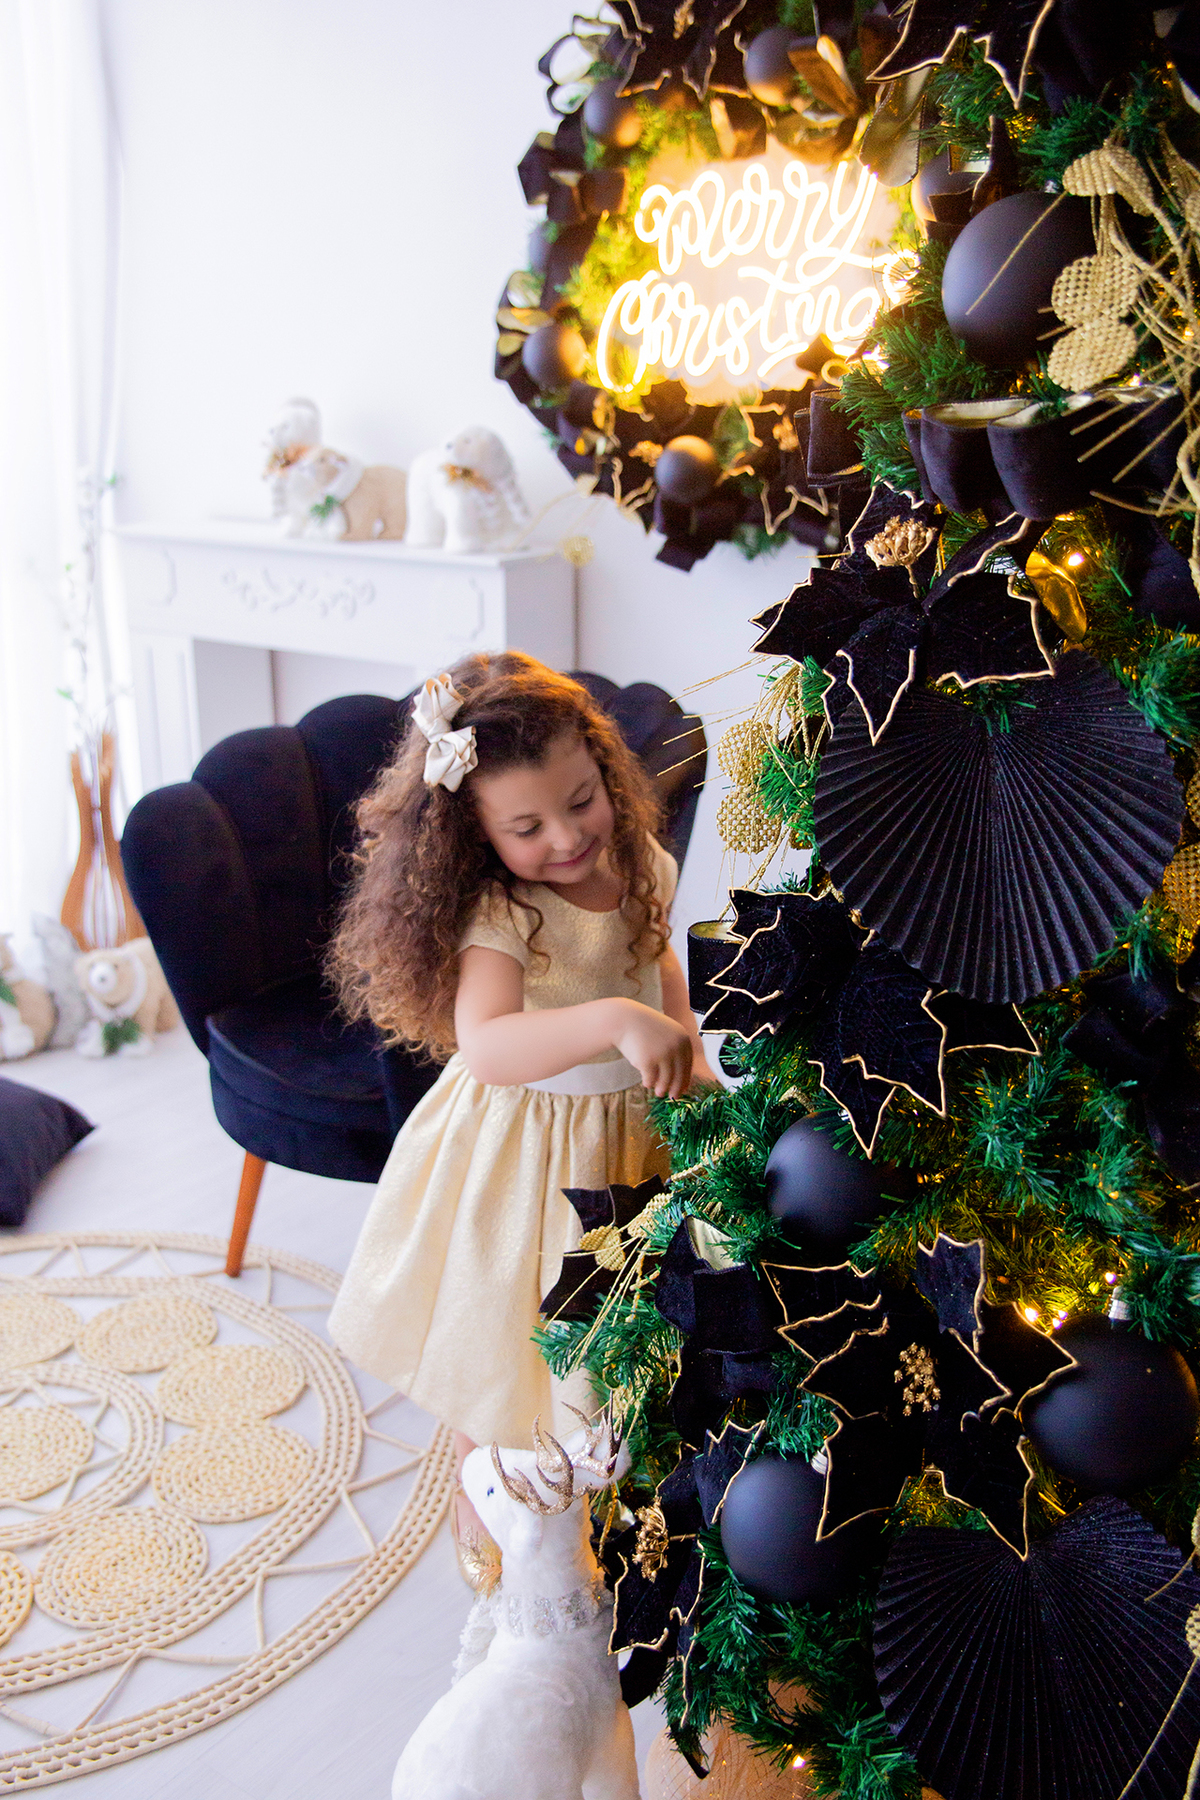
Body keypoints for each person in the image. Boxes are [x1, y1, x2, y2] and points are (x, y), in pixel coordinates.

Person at [326, 651, 715, 1535]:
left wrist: (681, 1044)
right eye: (527, 826)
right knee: (502, 1365)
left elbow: (656, 960)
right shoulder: (503, 912)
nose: (567, 837)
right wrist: (616, 1019)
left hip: (633, 1132)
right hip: (529, 1157)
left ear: (604, 767)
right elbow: (490, 1044)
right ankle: (498, 1550)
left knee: (618, 1352)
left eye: (581, 800)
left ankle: (619, 1535)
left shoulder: (638, 859)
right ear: (477, 832)